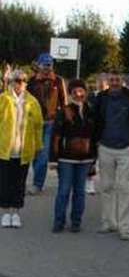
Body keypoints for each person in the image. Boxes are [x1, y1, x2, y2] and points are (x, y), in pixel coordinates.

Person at [94, 70, 129, 241]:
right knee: (107, 187)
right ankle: (109, 222)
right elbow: (94, 120)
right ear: (108, 81)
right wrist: (97, 142)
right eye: (112, 80)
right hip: (105, 147)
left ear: (122, 81)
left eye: (117, 79)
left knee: (124, 189)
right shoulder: (101, 98)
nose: (115, 82)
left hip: (125, 149)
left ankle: (125, 227)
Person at [49, 79, 96, 233]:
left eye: (81, 91)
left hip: (85, 159)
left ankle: (76, 221)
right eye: (75, 91)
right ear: (70, 94)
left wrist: (94, 160)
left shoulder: (91, 111)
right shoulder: (64, 111)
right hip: (66, 158)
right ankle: (59, 221)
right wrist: (53, 159)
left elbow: (94, 137)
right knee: (63, 190)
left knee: (80, 191)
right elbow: (56, 136)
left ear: (85, 92)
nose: (78, 94)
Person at [0, 70, 43, 228]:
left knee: (19, 183)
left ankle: (16, 213)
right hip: (4, 151)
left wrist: (38, 146)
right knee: (4, 183)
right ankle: (5, 213)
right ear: (11, 82)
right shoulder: (3, 99)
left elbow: (38, 127)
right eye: (16, 80)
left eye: (23, 81)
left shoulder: (32, 102)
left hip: (23, 151)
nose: (20, 83)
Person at [27, 53, 67, 194]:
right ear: (39, 65)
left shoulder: (58, 81)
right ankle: (37, 182)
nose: (47, 68)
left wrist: (64, 121)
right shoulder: (31, 81)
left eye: (49, 65)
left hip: (51, 123)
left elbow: (64, 103)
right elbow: (26, 101)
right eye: (44, 65)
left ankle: (37, 184)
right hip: (34, 123)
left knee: (43, 155)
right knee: (36, 154)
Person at [86, 73, 110, 195]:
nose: (101, 84)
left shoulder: (111, 97)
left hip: (107, 133)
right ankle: (90, 184)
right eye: (99, 82)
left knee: (106, 161)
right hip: (93, 132)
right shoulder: (91, 96)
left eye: (104, 82)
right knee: (92, 160)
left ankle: (106, 186)